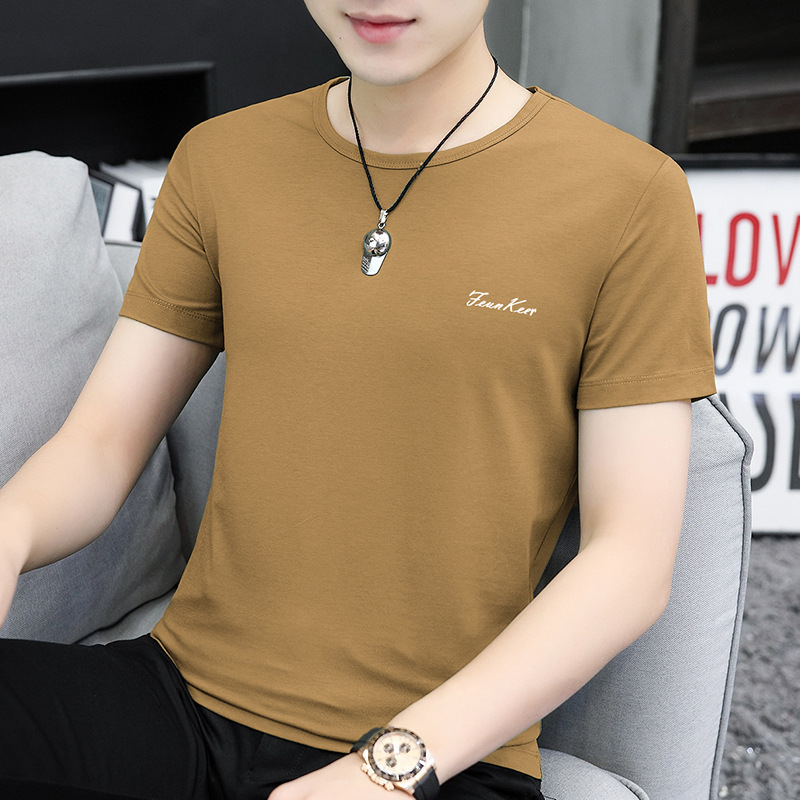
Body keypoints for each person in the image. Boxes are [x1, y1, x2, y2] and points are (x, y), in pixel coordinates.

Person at [0, 2, 717, 798]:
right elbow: (102, 443)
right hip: (180, 698)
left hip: (443, 755)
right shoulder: (222, 159)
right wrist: (10, 528)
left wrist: (390, 767)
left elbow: (630, 560)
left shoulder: (629, 196)